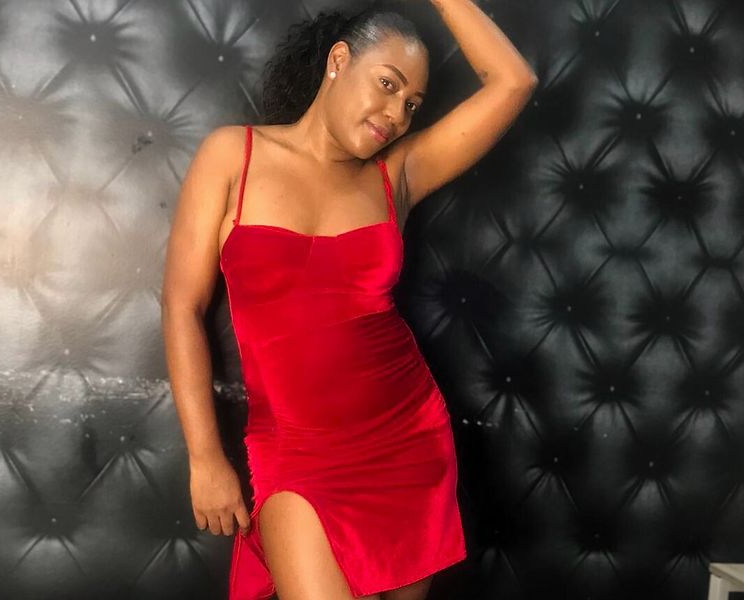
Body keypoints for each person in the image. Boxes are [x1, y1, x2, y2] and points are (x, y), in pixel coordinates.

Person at [161, 1, 537, 598]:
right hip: (295, 451)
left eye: (411, 104)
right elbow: (182, 305)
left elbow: (514, 81)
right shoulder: (234, 154)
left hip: (408, 440)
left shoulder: (397, 174)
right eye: (388, 84)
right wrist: (205, 457)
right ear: (339, 60)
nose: (396, 114)